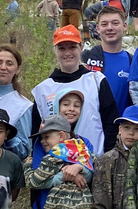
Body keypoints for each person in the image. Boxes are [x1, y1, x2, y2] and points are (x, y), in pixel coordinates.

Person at [31, 25, 118, 156]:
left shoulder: (96, 80)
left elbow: (111, 121)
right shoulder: (43, 89)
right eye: (62, 48)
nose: (67, 53)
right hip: (55, 166)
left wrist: (107, 157)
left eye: (72, 47)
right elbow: (37, 132)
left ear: (81, 47)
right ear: (55, 50)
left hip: (94, 161)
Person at [82, 5, 133, 113]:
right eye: (104, 24)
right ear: (98, 28)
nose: (110, 28)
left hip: (121, 126)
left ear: (124, 26)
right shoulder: (85, 58)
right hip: (90, 126)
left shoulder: (132, 61)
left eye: (115, 23)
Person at [0, 45, 33, 160]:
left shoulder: (23, 106)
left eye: (9, 64)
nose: (3, 67)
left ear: (17, 69)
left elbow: (24, 149)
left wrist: (5, 135)